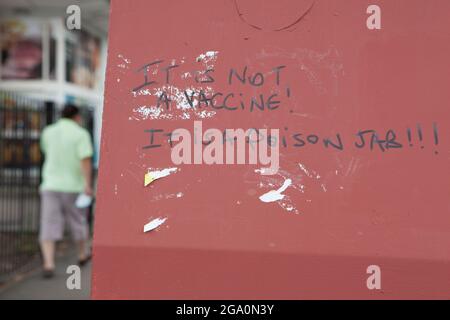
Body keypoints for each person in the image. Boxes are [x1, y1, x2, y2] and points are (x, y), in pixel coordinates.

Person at [39, 104, 94, 278]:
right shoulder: (81, 134)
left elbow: (46, 151)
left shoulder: (48, 131)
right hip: (73, 186)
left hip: (50, 184)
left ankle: (49, 263)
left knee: (48, 224)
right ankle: (82, 254)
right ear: (77, 117)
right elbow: (85, 160)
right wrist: (88, 184)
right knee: (78, 221)